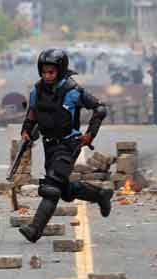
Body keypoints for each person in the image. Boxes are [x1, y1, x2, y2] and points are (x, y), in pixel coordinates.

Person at [18, 48, 114, 243]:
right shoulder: (37, 90)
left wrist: (90, 135)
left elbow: (100, 109)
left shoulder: (73, 91)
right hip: (48, 145)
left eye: (51, 72)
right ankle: (101, 195)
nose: (47, 76)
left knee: (51, 187)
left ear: (60, 71)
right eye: (44, 72)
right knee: (65, 190)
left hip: (69, 144)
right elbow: (32, 113)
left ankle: (34, 230)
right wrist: (26, 130)